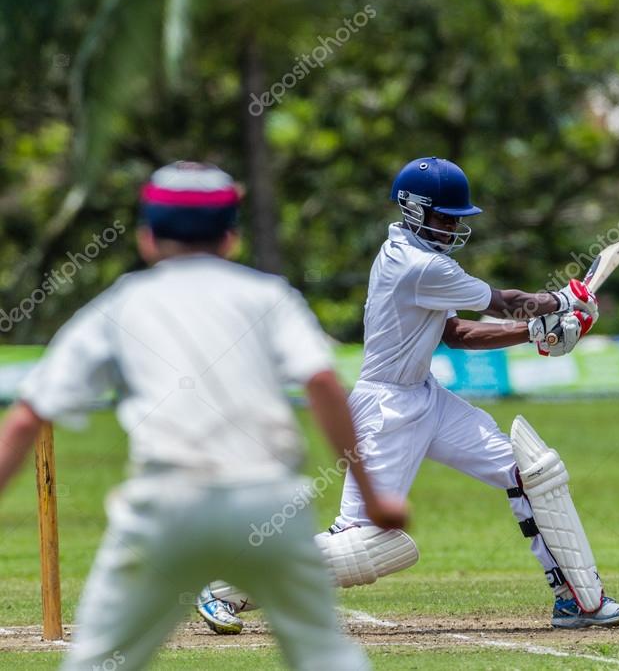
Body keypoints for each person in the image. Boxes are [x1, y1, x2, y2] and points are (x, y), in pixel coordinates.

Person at [202, 157, 619, 632]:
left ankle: (579, 600)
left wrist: (535, 331)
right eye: (444, 218)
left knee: (530, 471)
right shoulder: (418, 265)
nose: (452, 227)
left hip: (426, 397)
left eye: (456, 219)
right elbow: (505, 302)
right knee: (367, 542)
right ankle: (226, 584)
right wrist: (564, 301)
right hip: (386, 408)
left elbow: (457, 334)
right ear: (414, 210)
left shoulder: (423, 257)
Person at [0, 161, 406, 670]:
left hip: (167, 507)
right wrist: (373, 498)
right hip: (268, 504)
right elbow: (323, 384)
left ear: (147, 238)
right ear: (231, 238)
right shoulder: (270, 296)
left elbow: (26, 418)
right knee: (327, 659)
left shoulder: (122, 303)